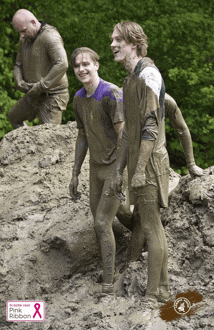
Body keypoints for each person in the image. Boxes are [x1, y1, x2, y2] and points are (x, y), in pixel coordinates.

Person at [110, 21, 172, 307]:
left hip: (149, 164)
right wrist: (119, 169)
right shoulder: (129, 79)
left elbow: (150, 129)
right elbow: (128, 134)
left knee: (150, 226)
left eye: (117, 40)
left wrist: (137, 170)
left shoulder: (148, 75)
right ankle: (164, 288)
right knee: (149, 224)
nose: (112, 45)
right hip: (138, 162)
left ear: (133, 43)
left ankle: (153, 295)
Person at [69, 47, 126, 296]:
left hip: (115, 166)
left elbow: (125, 135)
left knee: (102, 223)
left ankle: (108, 285)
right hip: (95, 170)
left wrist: (119, 172)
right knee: (115, 215)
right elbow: (82, 135)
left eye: (86, 64)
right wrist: (75, 172)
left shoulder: (111, 94)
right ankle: (141, 237)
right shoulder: (78, 99)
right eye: (77, 66)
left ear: (96, 65)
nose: (81, 69)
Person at [8, 9, 69, 128]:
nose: (21, 35)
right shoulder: (24, 39)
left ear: (33, 22)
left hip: (53, 94)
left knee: (48, 134)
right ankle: (28, 145)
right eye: (19, 32)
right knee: (14, 117)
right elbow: (18, 63)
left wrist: (41, 86)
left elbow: (62, 64)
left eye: (24, 30)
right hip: (34, 93)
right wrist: (18, 81)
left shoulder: (50, 36)